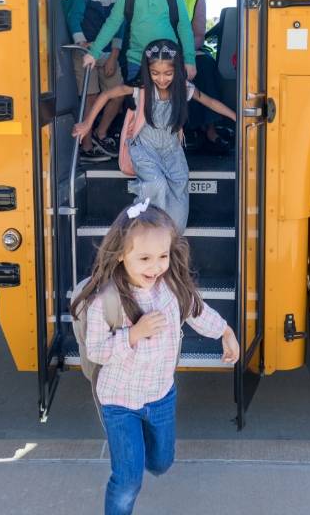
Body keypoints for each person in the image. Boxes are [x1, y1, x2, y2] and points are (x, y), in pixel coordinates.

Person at [71, 200, 239, 515]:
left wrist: (225, 332)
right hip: (119, 403)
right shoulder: (107, 300)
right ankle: (128, 464)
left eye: (162, 256)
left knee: (162, 462)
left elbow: (196, 310)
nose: (155, 266)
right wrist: (132, 334)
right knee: (128, 480)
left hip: (160, 396)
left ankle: (139, 454)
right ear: (121, 255)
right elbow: (96, 349)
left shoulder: (172, 287)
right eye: (145, 258)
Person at [73, 38, 236, 233]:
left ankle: (171, 238)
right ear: (147, 71)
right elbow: (106, 95)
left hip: (171, 150)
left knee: (178, 187)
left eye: (168, 73)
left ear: (177, 71)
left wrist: (237, 117)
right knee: (155, 184)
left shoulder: (183, 89)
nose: (161, 79)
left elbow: (210, 102)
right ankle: (146, 228)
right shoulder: (140, 89)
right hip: (144, 148)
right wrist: (87, 123)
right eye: (155, 73)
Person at [169, 0, 231, 154]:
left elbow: (198, 34)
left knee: (205, 65)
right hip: (161, 47)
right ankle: (181, 131)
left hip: (189, 47)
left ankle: (210, 129)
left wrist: (184, 53)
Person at [67, 0, 125, 162]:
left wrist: (114, 56)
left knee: (118, 94)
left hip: (109, 53)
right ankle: (87, 145)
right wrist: (82, 43)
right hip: (86, 52)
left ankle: (101, 133)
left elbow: (120, 27)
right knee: (89, 100)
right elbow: (74, 18)